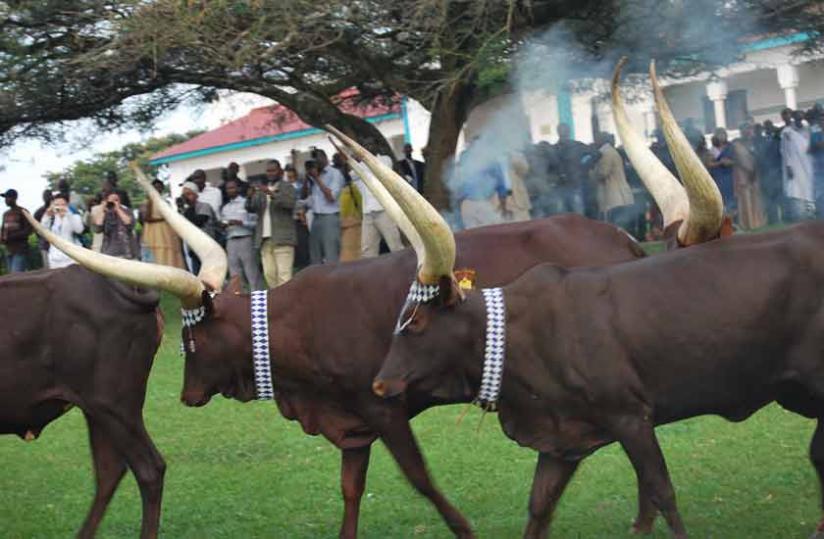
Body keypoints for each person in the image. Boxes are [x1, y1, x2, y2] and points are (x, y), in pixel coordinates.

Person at [246, 160, 297, 287]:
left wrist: (271, 193)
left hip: (283, 238)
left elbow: (290, 203)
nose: (270, 173)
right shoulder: (261, 189)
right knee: (269, 275)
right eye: (268, 171)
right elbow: (252, 208)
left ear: (280, 171)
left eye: (273, 170)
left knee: (284, 276)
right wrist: (249, 196)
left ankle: (287, 304)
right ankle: (277, 303)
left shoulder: (287, 187)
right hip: (264, 239)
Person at [353, 154, 405, 258]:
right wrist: (355, 161)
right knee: (367, 251)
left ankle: (407, 272)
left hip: (383, 210)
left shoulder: (384, 159)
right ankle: (370, 273)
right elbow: (354, 176)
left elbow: (378, 170)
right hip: (367, 212)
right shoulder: (358, 165)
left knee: (395, 247)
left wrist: (362, 160)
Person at [220, 178, 264, 290]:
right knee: (235, 273)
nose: (230, 190)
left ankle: (258, 299)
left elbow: (255, 222)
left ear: (238, 188)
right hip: (231, 240)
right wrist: (223, 226)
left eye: (232, 187)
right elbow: (223, 224)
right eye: (228, 188)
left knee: (251, 271)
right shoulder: (225, 208)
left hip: (245, 238)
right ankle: (241, 300)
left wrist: (242, 222)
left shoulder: (246, 203)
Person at [306, 150, 344, 264]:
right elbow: (304, 196)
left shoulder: (335, 173)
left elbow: (331, 197)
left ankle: (336, 280)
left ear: (324, 158)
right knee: (315, 255)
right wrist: (308, 178)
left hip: (330, 217)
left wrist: (317, 179)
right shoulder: (314, 175)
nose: (315, 163)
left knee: (331, 255)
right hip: (316, 218)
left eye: (317, 159)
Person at [590, 132, 635, 231]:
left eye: (597, 139)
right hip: (618, 193)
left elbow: (603, 173)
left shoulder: (606, 153)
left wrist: (591, 172)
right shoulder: (611, 151)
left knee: (615, 224)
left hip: (613, 194)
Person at [139, 179, 185, 268]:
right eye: (155, 188)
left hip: (166, 231)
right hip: (153, 232)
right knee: (156, 252)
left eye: (159, 187)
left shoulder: (165, 202)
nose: (158, 189)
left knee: (169, 252)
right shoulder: (148, 202)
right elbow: (145, 219)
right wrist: (161, 219)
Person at [781, 110, 815, 222]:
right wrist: (788, 166)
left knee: (809, 186)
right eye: (797, 117)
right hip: (794, 164)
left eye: (801, 117)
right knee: (796, 187)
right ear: (793, 118)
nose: (799, 118)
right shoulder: (787, 131)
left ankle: (811, 211)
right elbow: (785, 151)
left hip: (809, 162)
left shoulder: (809, 129)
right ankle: (799, 215)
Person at [178, 181, 217, 274]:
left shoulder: (205, 206)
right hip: (194, 249)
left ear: (196, 195)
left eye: (188, 194)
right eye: (184, 195)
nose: (186, 197)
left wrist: (187, 207)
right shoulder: (185, 211)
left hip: (208, 247)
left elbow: (197, 222)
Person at [731, 124, 766, 230]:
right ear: (741, 131)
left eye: (749, 129)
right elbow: (737, 159)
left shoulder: (754, 142)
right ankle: (747, 224)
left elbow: (759, 157)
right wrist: (748, 170)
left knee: (756, 198)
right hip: (742, 175)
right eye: (745, 130)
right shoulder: (736, 144)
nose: (747, 132)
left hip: (755, 174)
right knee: (744, 200)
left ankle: (758, 222)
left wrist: (754, 170)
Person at [41, 193, 84, 270]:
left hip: (73, 257)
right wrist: (47, 215)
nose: (60, 207)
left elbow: (79, 230)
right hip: (55, 258)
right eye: (57, 204)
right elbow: (42, 232)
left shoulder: (74, 216)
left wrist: (68, 214)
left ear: (67, 205)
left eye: (63, 204)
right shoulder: (51, 219)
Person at [553, 123, 588, 215]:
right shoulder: (554, 148)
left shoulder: (577, 146)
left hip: (575, 185)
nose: (563, 133)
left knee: (578, 215)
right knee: (562, 216)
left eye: (564, 130)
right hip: (561, 187)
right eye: (561, 130)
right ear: (557, 132)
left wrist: (584, 169)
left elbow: (596, 154)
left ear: (568, 132)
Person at [333, 152, 363, 262]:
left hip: (353, 225)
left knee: (352, 257)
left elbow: (359, 205)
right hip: (340, 226)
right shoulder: (339, 189)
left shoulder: (353, 187)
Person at [285, 165, 311, 269]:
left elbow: (302, 201)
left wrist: (301, 212)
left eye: (291, 176)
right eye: (288, 176)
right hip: (291, 221)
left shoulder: (299, 186)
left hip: (300, 220)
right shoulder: (286, 187)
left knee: (303, 246)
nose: (289, 178)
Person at [1, 189, 33, 272]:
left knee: (16, 275)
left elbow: (29, 230)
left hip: (20, 250)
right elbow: (3, 230)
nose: (6, 200)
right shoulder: (5, 214)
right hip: (8, 250)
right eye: (5, 198)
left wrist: (12, 236)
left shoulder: (23, 212)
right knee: (12, 278)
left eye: (8, 197)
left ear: (14, 198)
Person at [707, 128, 736, 215]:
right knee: (722, 199)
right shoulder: (713, 149)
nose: (722, 136)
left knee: (731, 199)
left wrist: (730, 162)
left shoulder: (731, 147)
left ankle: (734, 220)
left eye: (724, 134)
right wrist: (720, 162)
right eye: (720, 134)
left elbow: (737, 160)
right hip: (719, 177)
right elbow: (709, 164)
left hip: (730, 176)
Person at [32, 189, 53, 268]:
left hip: (56, 243)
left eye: (48, 196)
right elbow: (35, 228)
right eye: (45, 196)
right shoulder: (39, 212)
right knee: (48, 267)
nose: (47, 198)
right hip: (44, 243)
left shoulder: (55, 209)